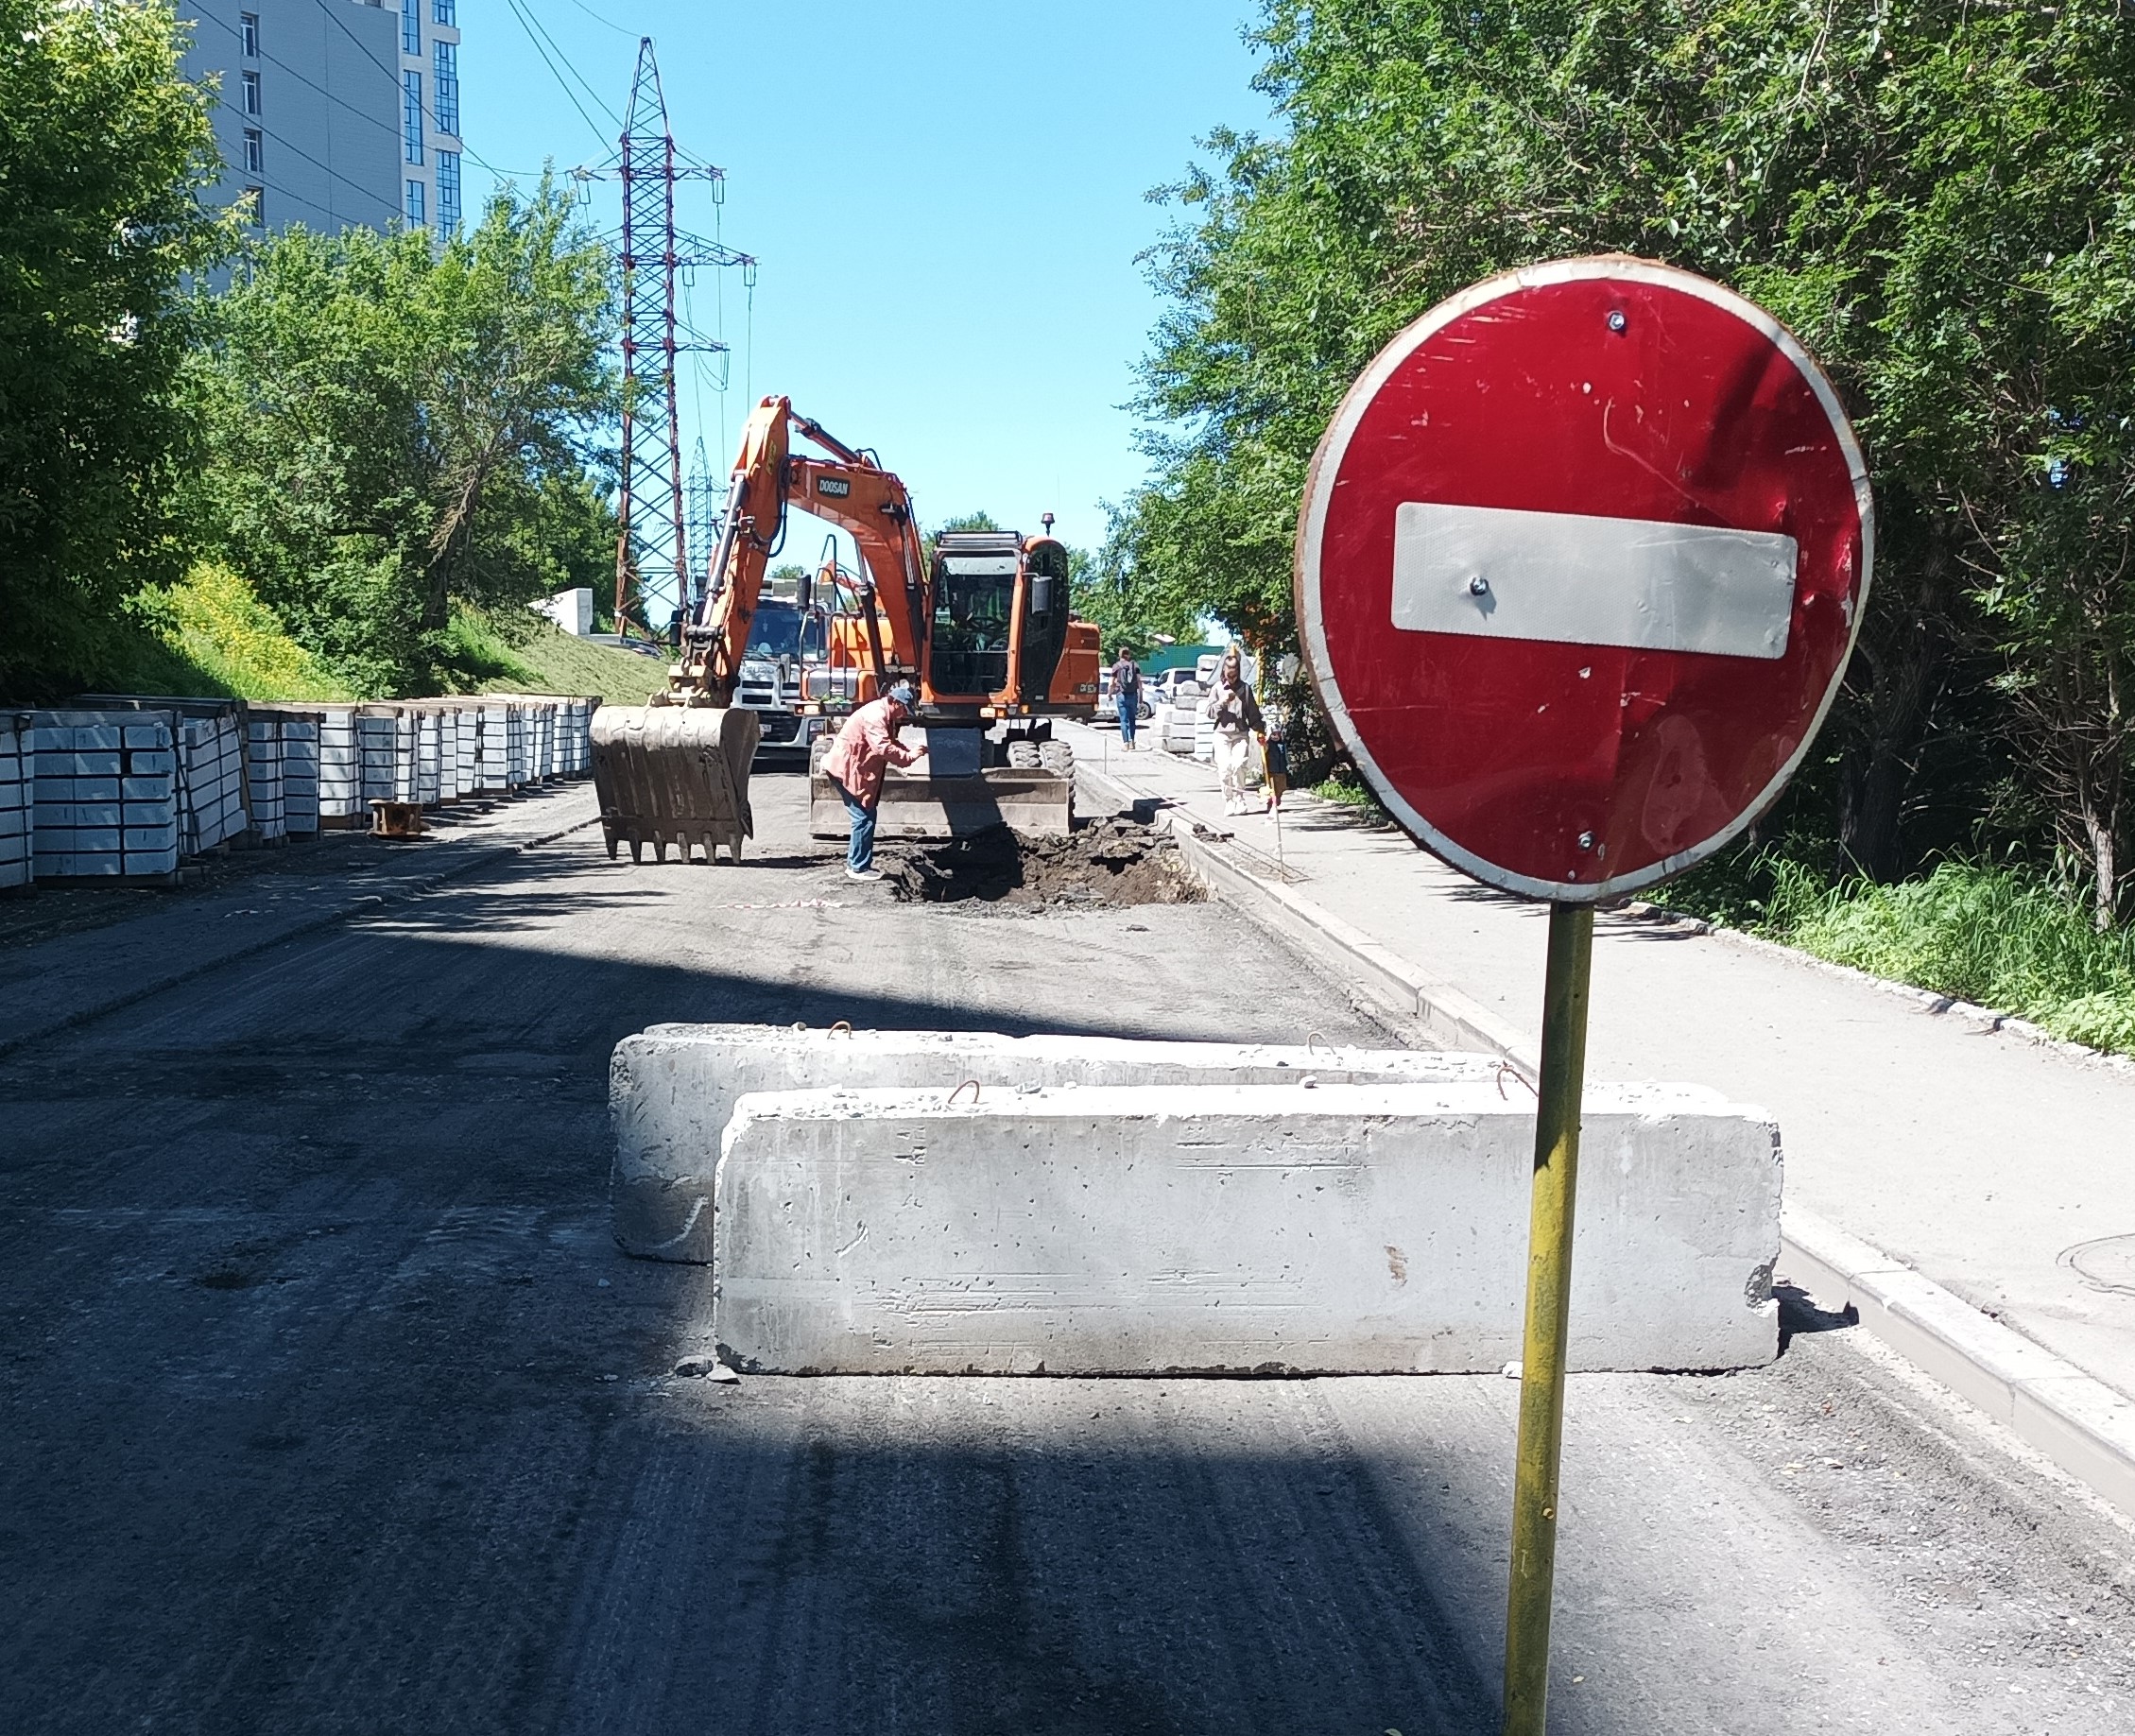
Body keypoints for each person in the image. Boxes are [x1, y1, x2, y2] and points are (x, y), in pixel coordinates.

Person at [821, 679, 927, 882]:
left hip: (851, 768)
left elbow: (890, 742)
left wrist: (908, 750)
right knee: (863, 817)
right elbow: (883, 748)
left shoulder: (882, 713)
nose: (904, 715)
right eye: (904, 709)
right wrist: (909, 757)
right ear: (895, 702)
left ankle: (858, 864)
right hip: (845, 769)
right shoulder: (875, 716)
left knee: (866, 815)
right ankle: (858, 868)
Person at [1200, 645, 1264, 816]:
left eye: (1235, 674)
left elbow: (1253, 712)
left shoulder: (1245, 689)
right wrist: (1222, 702)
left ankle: (1240, 799)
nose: (1232, 678)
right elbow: (1209, 713)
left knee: (1239, 765)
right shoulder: (1217, 689)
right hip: (1222, 734)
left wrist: (1260, 729)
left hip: (1241, 733)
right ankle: (1228, 801)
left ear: (1238, 671)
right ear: (1224, 671)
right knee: (1224, 768)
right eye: (1229, 674)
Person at [1110, 645, 1143, 749]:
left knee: (1123, 720)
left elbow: (1111, 683)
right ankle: (1132, 742)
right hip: (1133, 695)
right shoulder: (1135, 666)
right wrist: (1140, 697)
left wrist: (1110, 694)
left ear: (1120, 655)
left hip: (1121, 695)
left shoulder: (1116, 666)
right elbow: (1139, 682)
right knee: (1132, 719)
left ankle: (1126, 744)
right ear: (1128, 655)